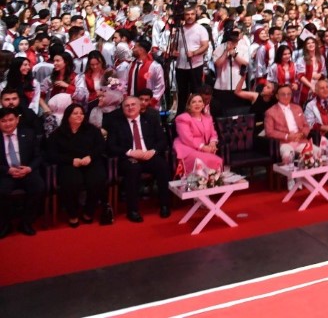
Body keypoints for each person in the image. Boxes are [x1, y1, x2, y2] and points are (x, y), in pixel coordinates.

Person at [105, 95, 172, 223]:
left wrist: (153, 151)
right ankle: (133, 210)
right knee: (133, 169)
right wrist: (130, 152)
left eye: (133, 105)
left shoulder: (150, 120)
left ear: (139, 106)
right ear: (123, 109)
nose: (130, 107)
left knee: (162, 166)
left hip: (149, 155)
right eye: (127, 105)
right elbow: (111, 146)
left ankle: (165, 205)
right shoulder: (116, 124)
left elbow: (162, 141)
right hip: (128, 158)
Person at [48, 103, 108, 227]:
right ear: (68, 116)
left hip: (90, 161)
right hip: (69, 163)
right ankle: (72, 213)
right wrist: (71, 160)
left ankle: (89, 211)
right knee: (72, 182)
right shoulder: (58, 134)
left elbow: (101, 146)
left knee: (97, 179)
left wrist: (90, 157)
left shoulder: (92, 130)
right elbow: (51, 154)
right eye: (75, 113)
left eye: (81, 113)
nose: (79, 116)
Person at [0, 106, 45, 237]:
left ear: (17, 120)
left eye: (10, 120)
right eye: (3, 121)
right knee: (1, 191)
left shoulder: (29, 134)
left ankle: (26, 222)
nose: (8, 123)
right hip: (5, 173)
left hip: (26, 171)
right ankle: (5, 224)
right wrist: (8, 170)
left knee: (38, 187)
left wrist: (29, 168)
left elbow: (38, 156)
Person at [173, 93, 223, 175]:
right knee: (206, 160)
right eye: (194, 102)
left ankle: (213, 181)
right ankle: (201, 181)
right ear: (189, 106)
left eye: (200, 101)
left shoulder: (208, 118)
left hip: (203, 148)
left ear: (203, 105)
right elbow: (187, 139)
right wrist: (203, 147)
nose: (197, 104)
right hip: (187, 147)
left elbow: (213, 133)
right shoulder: (182, 118)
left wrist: (212, 143)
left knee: (218, 160)